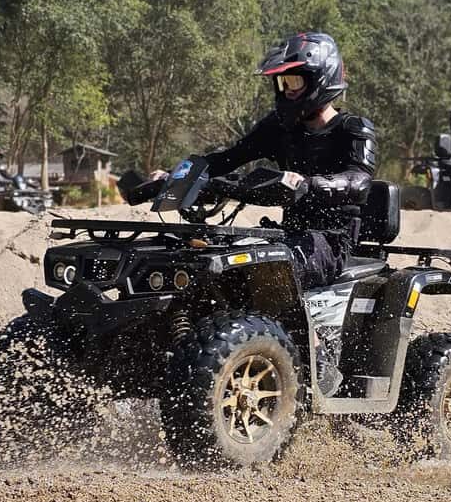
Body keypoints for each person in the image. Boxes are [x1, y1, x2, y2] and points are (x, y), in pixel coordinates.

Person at [155, 32, 377, 395]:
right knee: (213, 259)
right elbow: (227, 159)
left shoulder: (353, 130)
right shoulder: (279, 128)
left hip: (329, 242)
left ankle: (319, 361)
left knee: (264, 270)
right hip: (285, 235)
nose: (287, 90)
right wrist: (176, 175)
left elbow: (358, 181)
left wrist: (310, 184)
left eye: (294, 81)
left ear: (321, 79)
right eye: (283, 82)